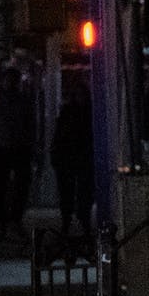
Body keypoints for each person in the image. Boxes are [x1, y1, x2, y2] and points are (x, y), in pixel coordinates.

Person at [0, 64, 36, 239]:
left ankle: (13, 220)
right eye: (9, 80)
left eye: (14, 80)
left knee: (19, 187)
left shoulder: (22, 101)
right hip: (3, 147)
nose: (11, 84)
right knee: (0, 187)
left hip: (20, 148)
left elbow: (32, 125)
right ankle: (0, 221)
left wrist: (31, 143)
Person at [50, 79, 95, 238]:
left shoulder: (73, 112)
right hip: (73, 156)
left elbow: (58, 134)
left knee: (82, 192)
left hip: (76, 156)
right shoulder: (83, 112)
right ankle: (72, 221)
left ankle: (79, 222)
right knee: (72, 192)